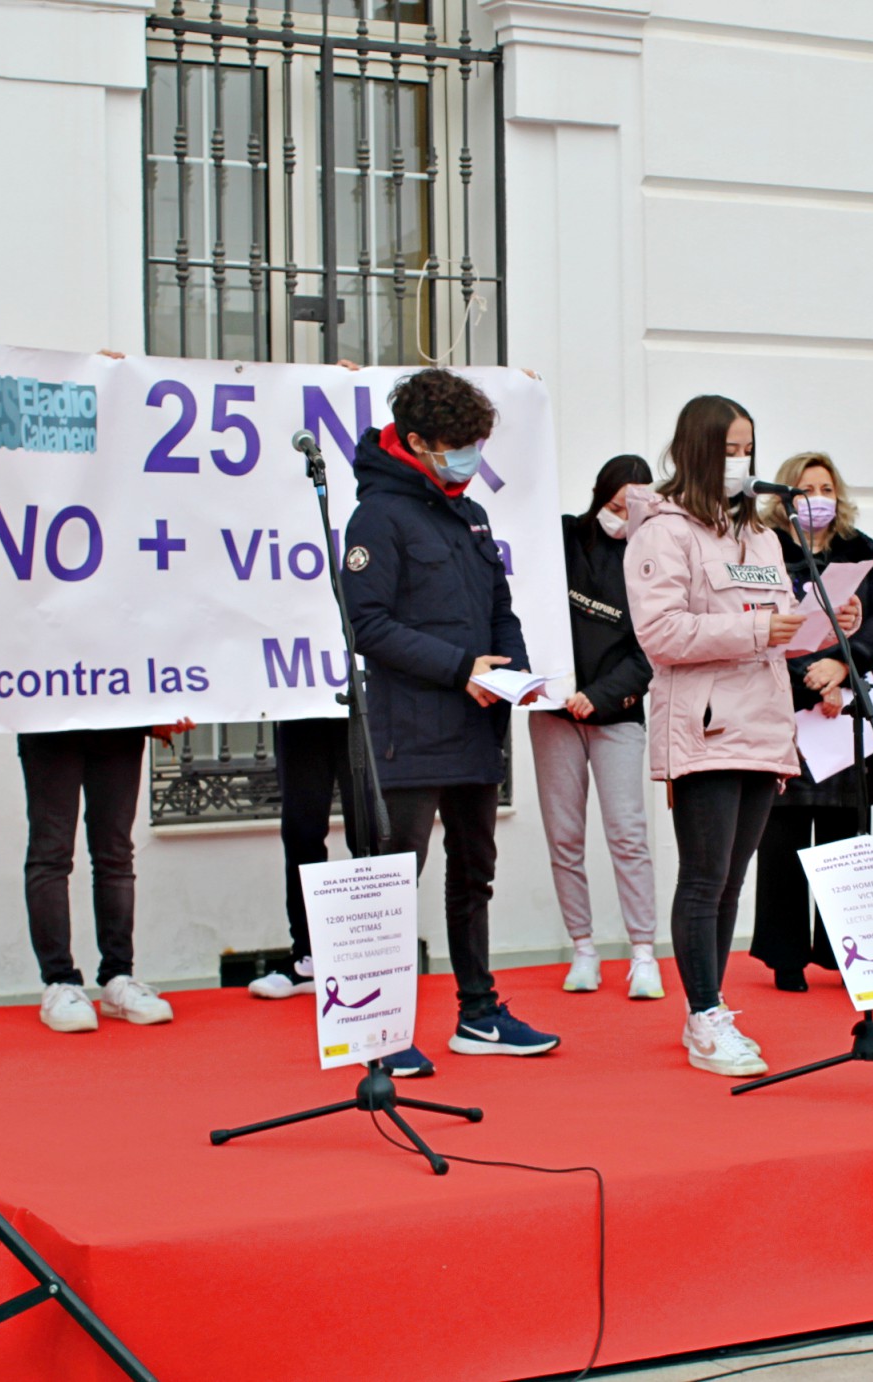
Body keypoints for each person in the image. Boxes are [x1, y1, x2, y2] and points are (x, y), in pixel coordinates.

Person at [624, 396, 860, 1077]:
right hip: (704, 723)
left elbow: (779, 621)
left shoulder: (758, 535)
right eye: (729, 449)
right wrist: (763, 630)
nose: (742, 462)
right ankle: (703, 1015)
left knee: (732, 881)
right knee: (704, 878)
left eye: (748, 448)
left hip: (761, 722)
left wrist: (824, 618)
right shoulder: (663, 534)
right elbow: (661, 634)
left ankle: (712, 1005)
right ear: (698, 451)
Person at [342, 366, 560, 1066]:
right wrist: (457, 668)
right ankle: (379, 1031)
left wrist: (515, 675)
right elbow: (366, 626)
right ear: (415, 442)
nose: (468, 457)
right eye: (455, 444)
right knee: (391, 879)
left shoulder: (471, 512)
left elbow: (500, 607)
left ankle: (479, 1015)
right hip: (409, 730)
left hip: (475, 727)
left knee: (475, 873)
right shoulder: (377, 515)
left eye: (475, 444)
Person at [747, 452, 873, 992]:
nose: (817, 497)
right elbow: (758, 620)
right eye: (805, 488)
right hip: (786, 709)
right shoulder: (762, 547)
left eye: (826, 487)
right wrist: (811, 680)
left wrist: (843, 669)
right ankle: (786, 956)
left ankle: (844, 952)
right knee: (784, 836)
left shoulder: (860, 549)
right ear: (785, 496)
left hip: (845, 713)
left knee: (845, 836)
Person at [532, 454, 661, 998]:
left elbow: (653, 645)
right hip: (553, 712)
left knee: (627, 833)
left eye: (634, 509)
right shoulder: (559, 538)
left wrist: (599, 696)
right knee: (564, 837)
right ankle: (582, 949)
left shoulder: (653, 560)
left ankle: (643, 954)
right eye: (614, 505)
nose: (621, 517)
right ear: (598, 495)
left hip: (617, 713)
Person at [25, 719, 193, 1033]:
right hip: (49, 720)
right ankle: (59, 983)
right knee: (51, 855)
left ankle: (118, 978)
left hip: (119, 723)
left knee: (114, 856)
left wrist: (164, 705)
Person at [244, 716, 359, 999]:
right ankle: (307, 957)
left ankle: (373, 960)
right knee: (301, 833)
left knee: (369, 836)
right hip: (301, 708)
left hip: (364, 707)